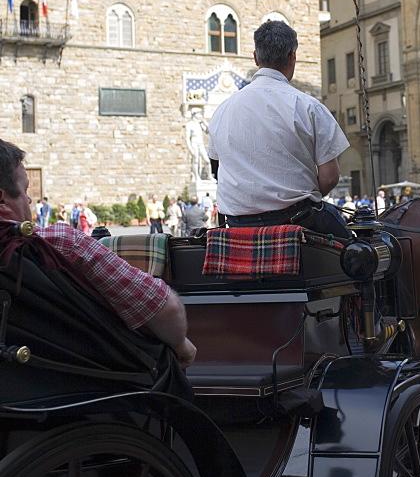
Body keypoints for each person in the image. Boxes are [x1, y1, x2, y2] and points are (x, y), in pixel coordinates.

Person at [0, 140, 196, 367]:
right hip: (88, 382)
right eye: (24, 190)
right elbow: (165, 308)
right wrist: (182, 345)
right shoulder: (58, 243)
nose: (29, 199)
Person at [207, 21, 350, 239]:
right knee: (360, 252)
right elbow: (330, 178)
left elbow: (217, 169)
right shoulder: (308, 106)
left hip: (237, 224)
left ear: (256, 58)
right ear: (293, 56)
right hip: (299, 218)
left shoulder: (223, 110)